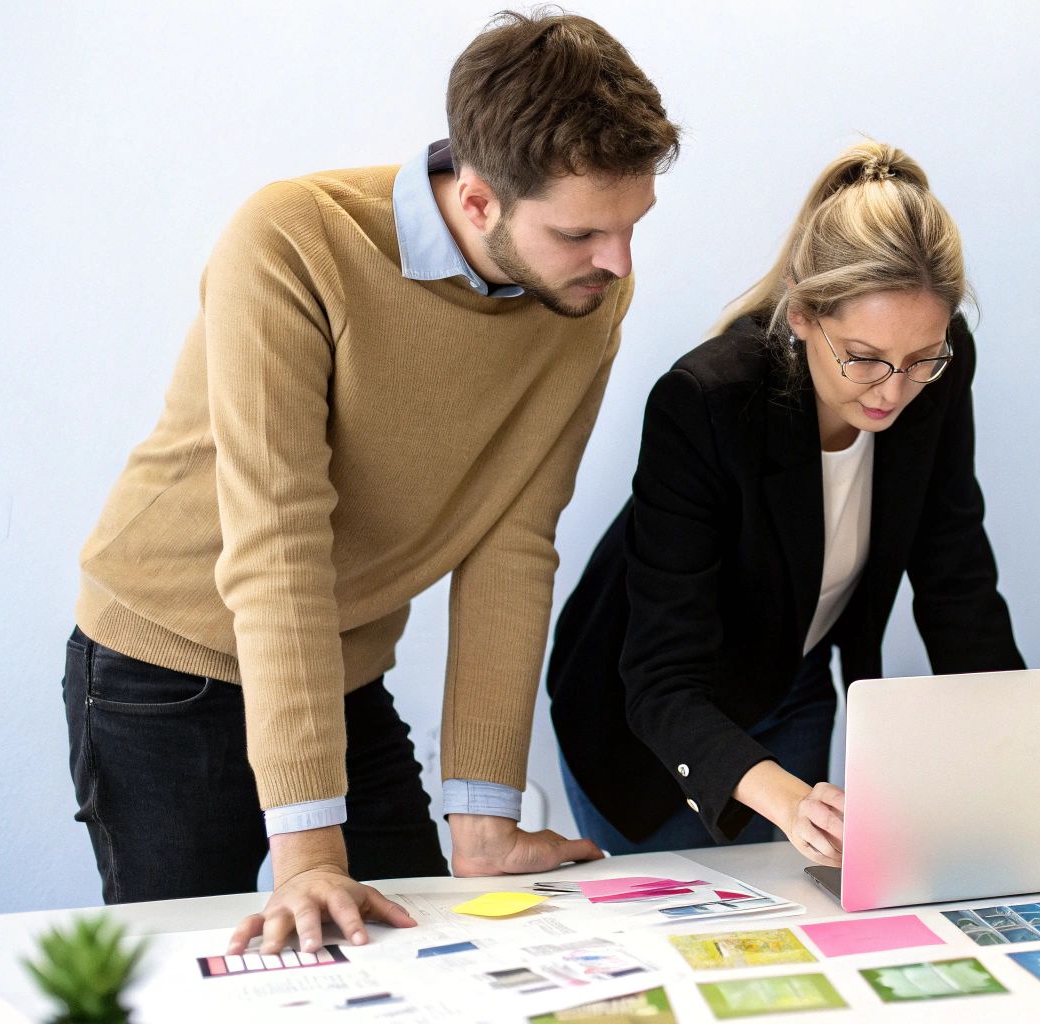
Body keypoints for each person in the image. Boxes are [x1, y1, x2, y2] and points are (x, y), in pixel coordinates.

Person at [61, 11, 678, 956]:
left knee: (431, 956)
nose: (619, 261)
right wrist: (308, 851)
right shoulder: (294, 239)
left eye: (631, 226)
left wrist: (485, 816)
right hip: (164, 665)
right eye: (582, 231)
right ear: (476, 200)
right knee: (202, 974)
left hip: (339, 664)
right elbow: (278, 542)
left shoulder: (585, 293)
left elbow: (514, 541)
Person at [546, 140, 1024, 867]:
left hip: (791, 675)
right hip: (650, 715)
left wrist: (1031, 750)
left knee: (800, 910)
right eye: (863, 358)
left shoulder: (934, 366)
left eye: (921, 360)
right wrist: (786, 796)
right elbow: (660, 677)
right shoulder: (707, 401)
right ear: (801, 316)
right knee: (709, 920)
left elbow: (956, 575)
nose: (893, 390)